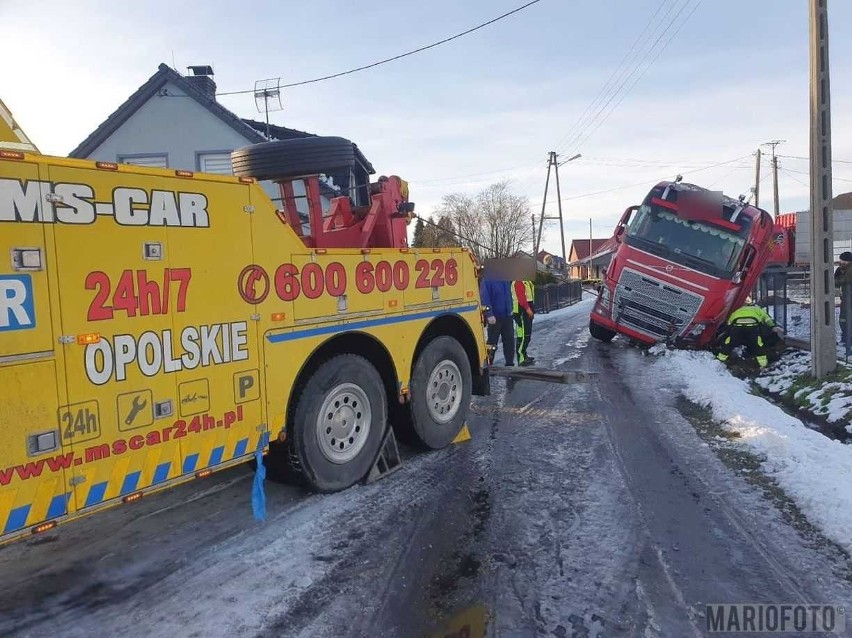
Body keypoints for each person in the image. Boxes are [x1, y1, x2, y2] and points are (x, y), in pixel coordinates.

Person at [716, 297, 784, 369]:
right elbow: (767, 319)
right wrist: (772, 326)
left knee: (729, 343)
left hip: (737, 328)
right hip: (752, 328)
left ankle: (720, 360)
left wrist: (729, 332)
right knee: (758, 345)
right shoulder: (757, 310)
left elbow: (729, 323)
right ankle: (763, 364)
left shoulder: (737, 311)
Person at [480, 278, 515, 366]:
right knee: (492, 343)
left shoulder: (505, 279)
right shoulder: (488, 280)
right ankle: (488, 365)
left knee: (509, 341)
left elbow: (508, 295)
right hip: (495, 318)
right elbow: (485, 297)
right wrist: (489, 314)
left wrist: (510, 308)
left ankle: (510, 364)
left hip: (507, 316)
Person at [512, 279, 536, 366]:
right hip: (521, 311)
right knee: (523, 336)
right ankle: (521, 359)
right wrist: (528, 309)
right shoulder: (519, 281)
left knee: (526, 335)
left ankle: (524, 355)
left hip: (525, 311)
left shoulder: (526, 281)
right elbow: (521, 298)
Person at [834, 251, 852, 345]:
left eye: (843, 262)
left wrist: (836, 279)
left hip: (848, 299)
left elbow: (846, 279)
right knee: (843, 319)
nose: (841, 264)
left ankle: (848, 340)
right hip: (845, 299)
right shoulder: (842, 270)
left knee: (846, 319)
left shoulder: (849, 270)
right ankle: (846, 338)